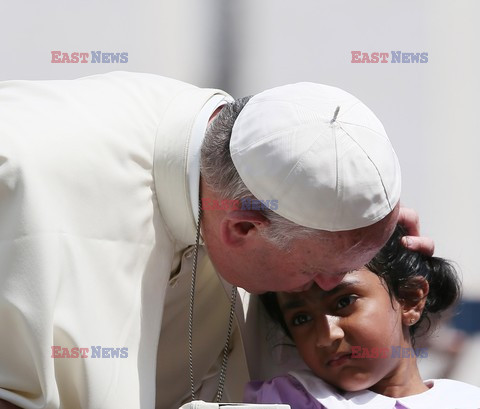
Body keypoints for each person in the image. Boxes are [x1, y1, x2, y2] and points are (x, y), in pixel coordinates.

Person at [0, 72, 432, 409]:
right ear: (241, 229)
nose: (327, 287)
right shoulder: (18, 165)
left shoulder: (247, 165)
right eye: (318, 272)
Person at [245, 225, 480, 408]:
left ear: (409, 299)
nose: (327, 335)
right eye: (301, 319)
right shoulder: (288, 400)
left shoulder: (466, 401)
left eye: (344, 302)